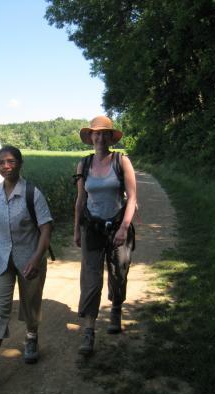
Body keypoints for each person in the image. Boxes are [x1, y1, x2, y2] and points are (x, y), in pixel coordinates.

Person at [0, 146, 53, 386]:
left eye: (11, 161)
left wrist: (36, 259)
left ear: (20, 163)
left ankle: (31, 336)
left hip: (30, 258)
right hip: (2, 258)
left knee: (31, 303)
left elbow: (46, 228)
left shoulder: (32, 193)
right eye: (3, 162)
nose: (6, 166)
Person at [73, 115, 137, 355]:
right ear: (91, 137)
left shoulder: (122, 161)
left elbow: (132, 198)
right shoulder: (84, 164)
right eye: (95, 133)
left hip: (119, 225)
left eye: (104, 134)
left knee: (119, 272)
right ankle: (89, 332)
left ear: (111, 137)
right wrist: (76, 229)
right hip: (92, 228)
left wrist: (123, 228)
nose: (99, 137)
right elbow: (80, 200)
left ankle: (116, 307)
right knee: (90, 278)